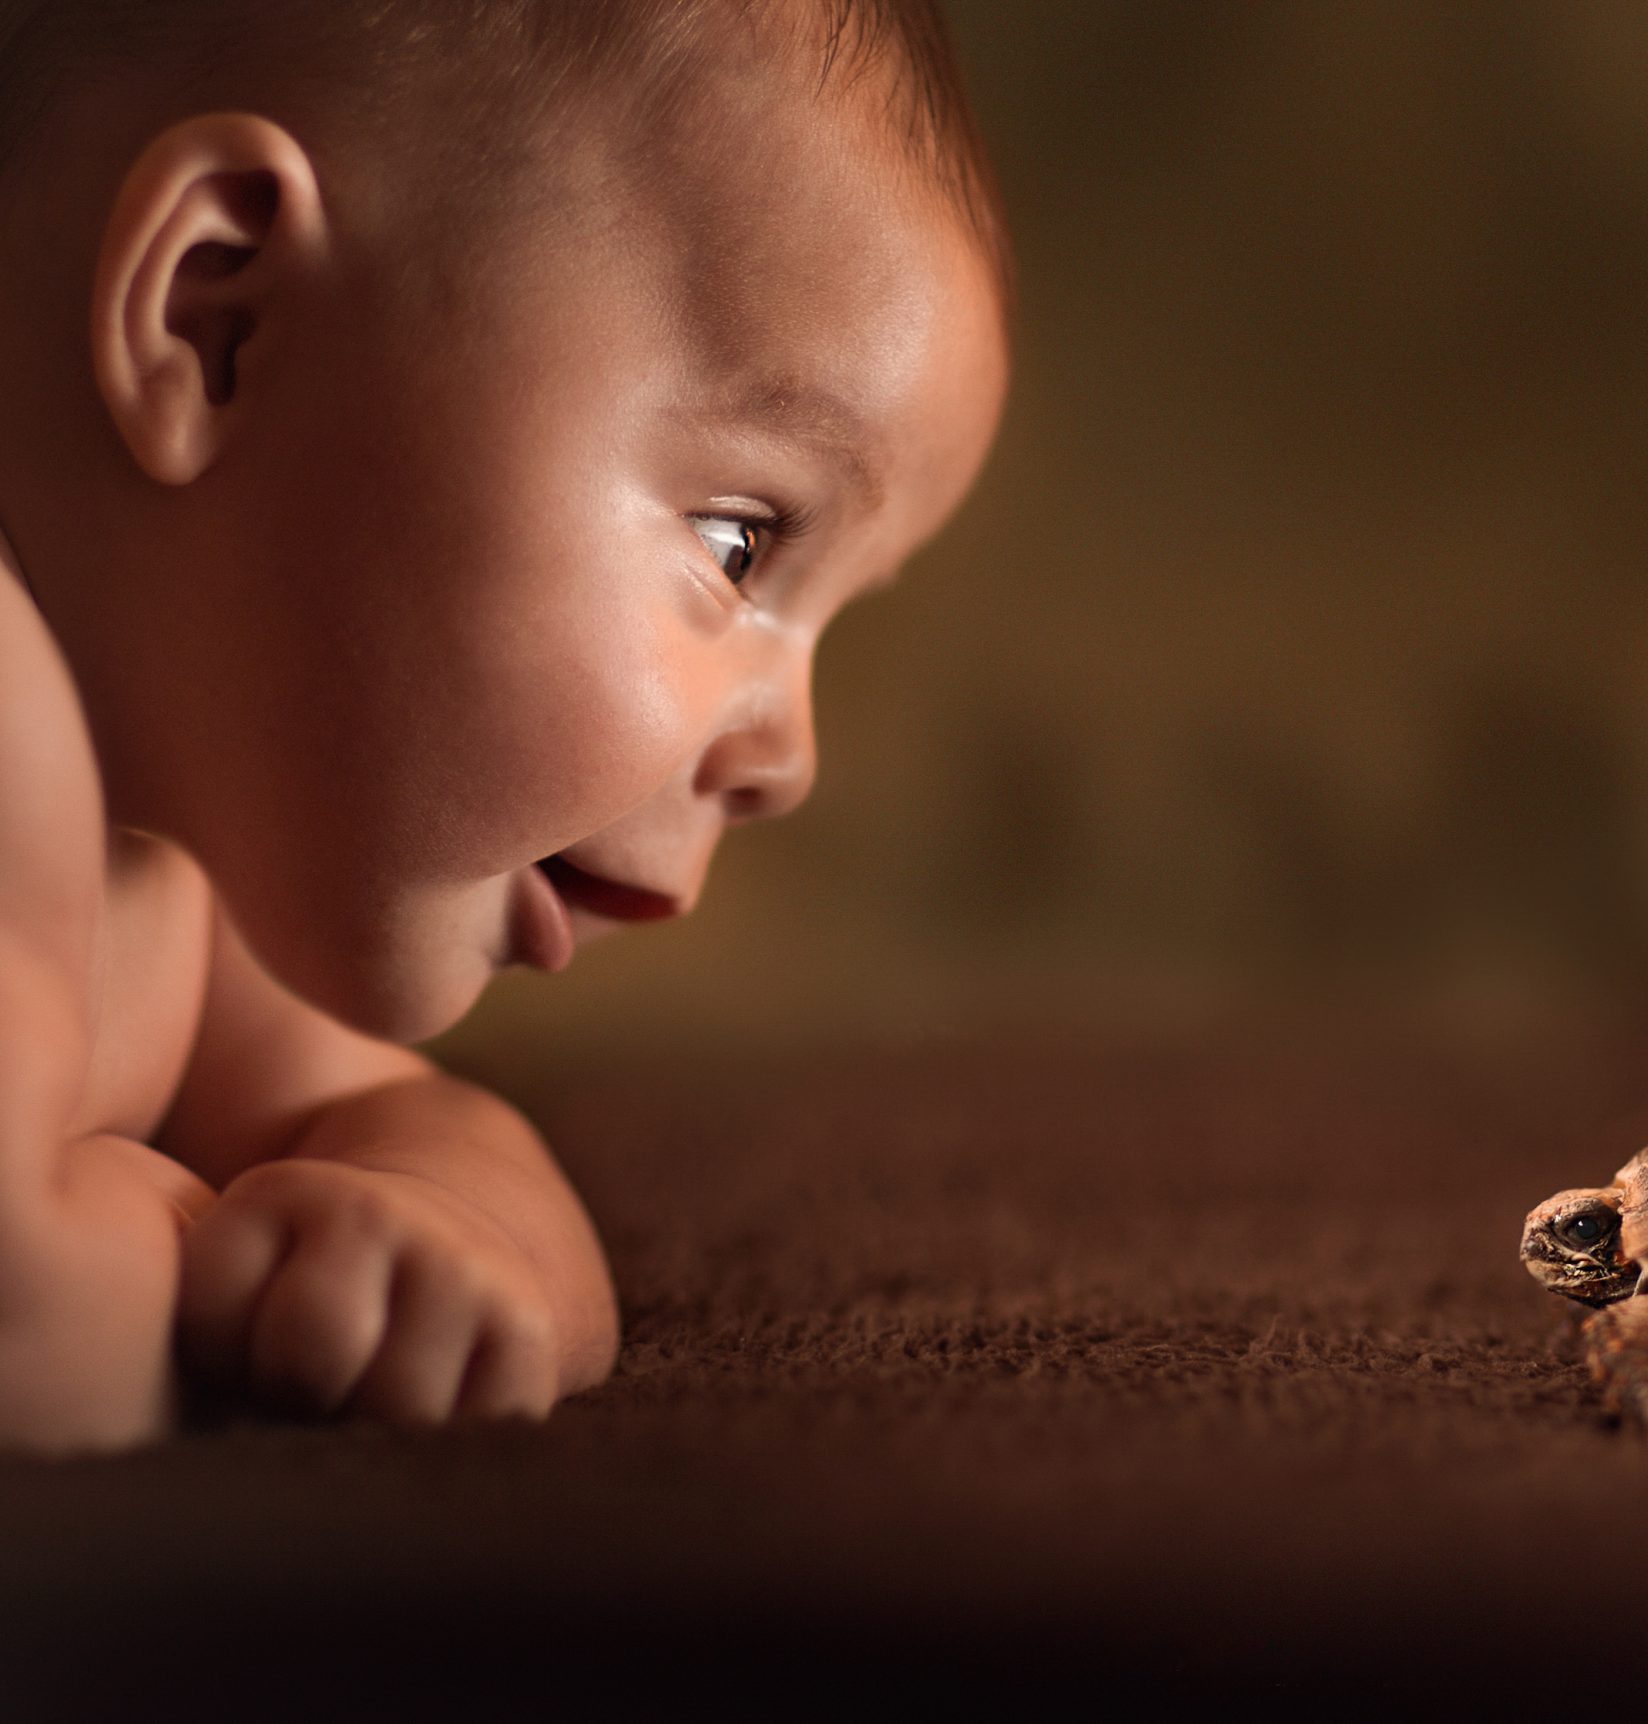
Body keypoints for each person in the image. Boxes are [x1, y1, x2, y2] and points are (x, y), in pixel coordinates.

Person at [0, 0, 1010, 1451]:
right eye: (738, 544)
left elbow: (428, 1139)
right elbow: (30, 1340)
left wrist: (443, 1239)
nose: (792, 760)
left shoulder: (187, 830)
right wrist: (188, 1226)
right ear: (217, 320)